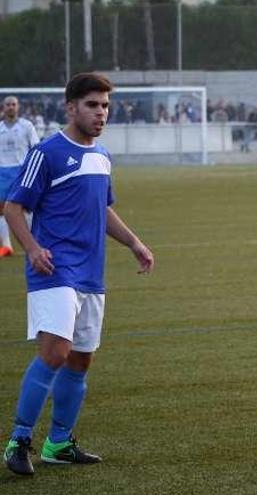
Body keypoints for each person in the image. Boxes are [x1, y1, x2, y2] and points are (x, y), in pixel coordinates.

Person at [3, 72, 155, 477]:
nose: (101, 112)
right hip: (53, 268)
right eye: (92, 105)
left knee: (81, 360)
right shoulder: (48, 152)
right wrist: (32, 249)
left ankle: (59, 443)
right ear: (70, 108)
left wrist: (135, 243)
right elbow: (13, 207)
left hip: (91, 272)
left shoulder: (103, 156)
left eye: (105, 105)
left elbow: (102, 208)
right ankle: (19, 440)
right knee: (55, 352)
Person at [0, 96, 40, 257]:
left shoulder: (27, 126)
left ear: (18, 107)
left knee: (26, 208)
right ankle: (6, 246)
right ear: (3, 107)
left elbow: (36, 147)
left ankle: (33, 242)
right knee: (1, 209)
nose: (11, 107)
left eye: (13, 104)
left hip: (22, 171)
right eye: (8, 105)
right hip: (2, 171)